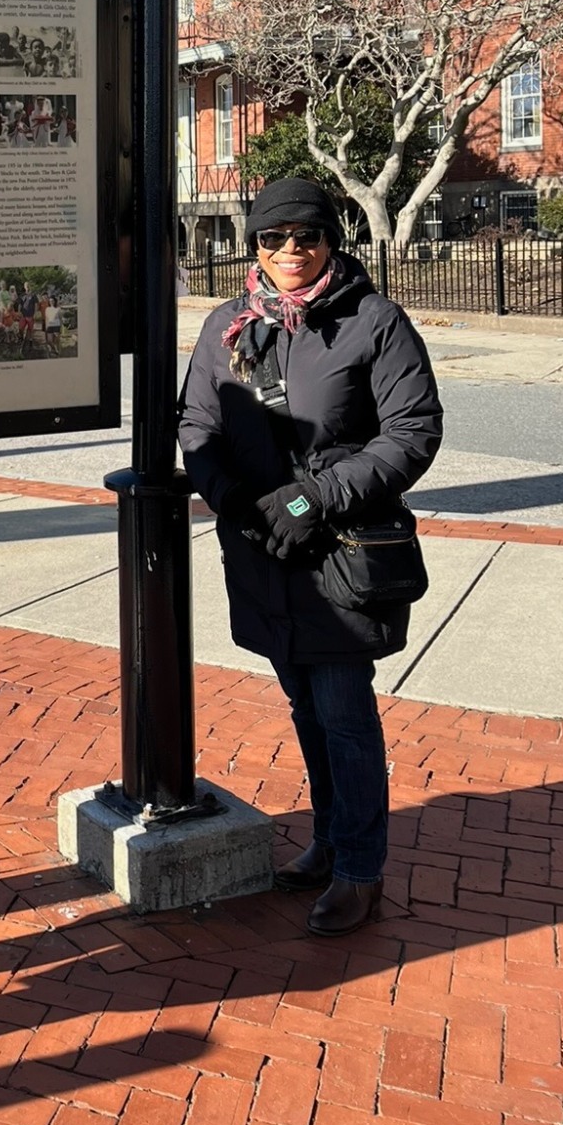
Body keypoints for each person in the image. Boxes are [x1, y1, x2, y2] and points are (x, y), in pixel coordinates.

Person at [178, 179, 442, 936]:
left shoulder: (373, 322)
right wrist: (231, 498)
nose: (291, 251)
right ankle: (328, 842)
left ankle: (360, 867)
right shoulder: (229, 326)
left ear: (333, 239)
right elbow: (197, 421)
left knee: (344, 711)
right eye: (273, 238)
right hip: (262, 548)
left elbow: (412, 431)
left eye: (307, 237)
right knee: (305, 704)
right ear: (253, 243)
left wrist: (314, 498)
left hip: (340, 546)